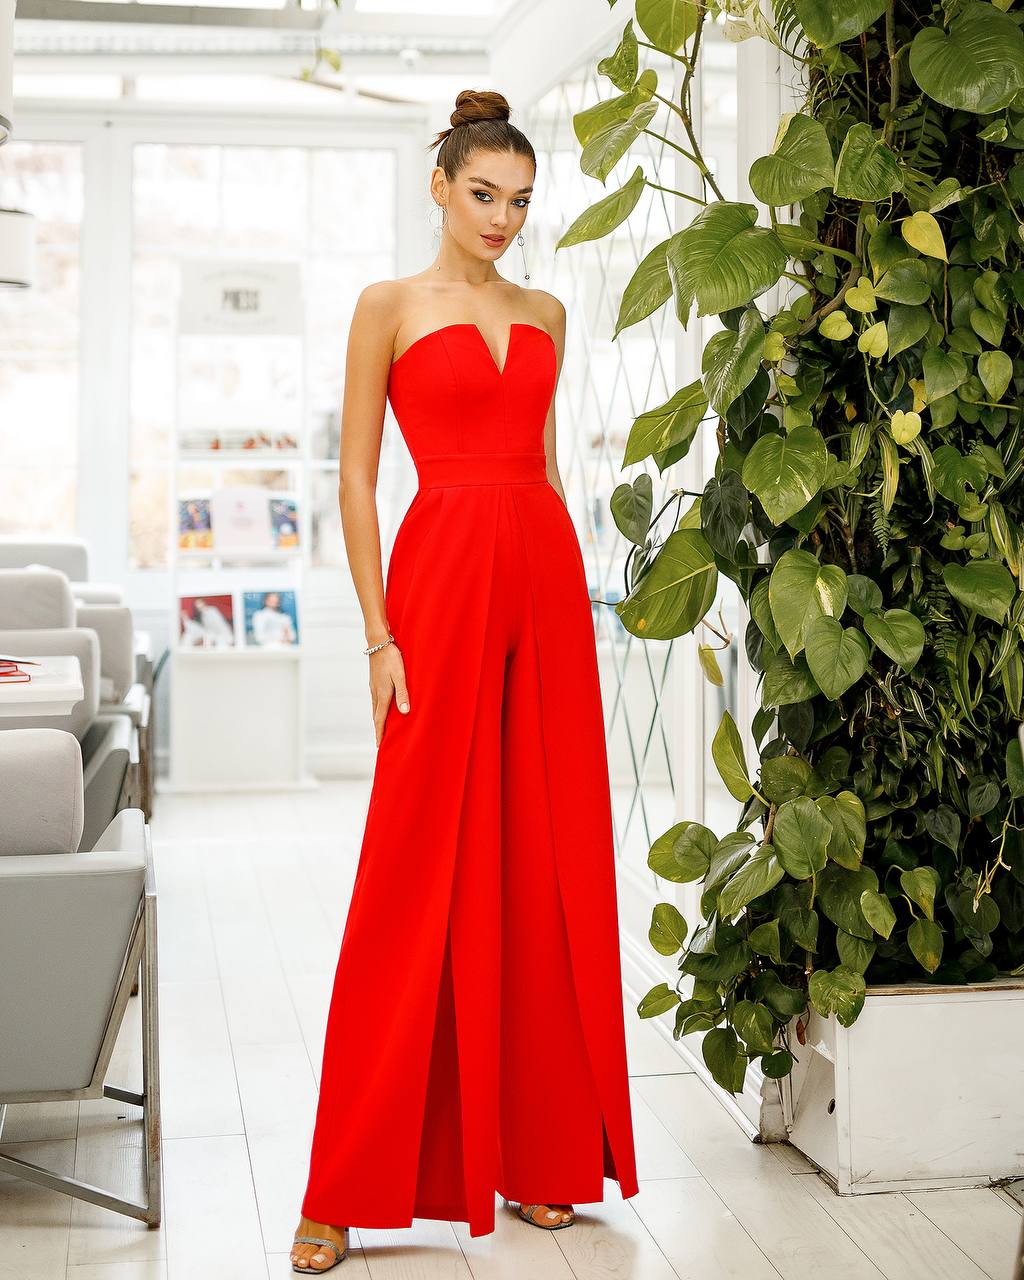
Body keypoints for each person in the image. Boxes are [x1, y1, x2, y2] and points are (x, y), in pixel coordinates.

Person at [289, 87, 639, 1275]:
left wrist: (573, 599)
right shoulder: (385, 306)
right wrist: (379, 635)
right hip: (433, 591)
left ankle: (542, 1159)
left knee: (544, 867)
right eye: (484, 195)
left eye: (521, 202)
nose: (502, 218)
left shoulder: (544, 306)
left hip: (540, 588)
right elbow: (353, 479)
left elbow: (541, 469)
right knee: (408, 872)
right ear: (438, 186)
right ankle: (342, 1182)